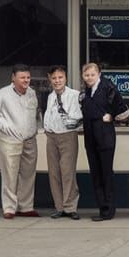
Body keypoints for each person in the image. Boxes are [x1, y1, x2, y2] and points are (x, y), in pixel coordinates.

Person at [0, 64, 40, 219]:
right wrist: (4, 125)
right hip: (9, 139)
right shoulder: (1, 94)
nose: (26, 80)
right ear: (13, 78)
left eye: (28, 77)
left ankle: (26, 207)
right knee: (10, 174)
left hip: (29, 139)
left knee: (28, 174)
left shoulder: (32, 93)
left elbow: (34, 114)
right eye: (22, 77)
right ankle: (9, 208)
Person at [80, 62, 129, 221]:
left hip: (105, 137)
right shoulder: (86, 92)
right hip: (90, 137)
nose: (89, 78)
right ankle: (102, 208)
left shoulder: (109, 87)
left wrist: (112, 115)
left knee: (105, 173)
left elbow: (123, 110)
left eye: (92, 75)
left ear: (99, 74)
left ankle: (108, 210)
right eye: (86, 75)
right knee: (95, 173)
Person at [43, 66, 82, 219]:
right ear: (50, 79)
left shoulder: (74, 95)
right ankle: (59, 207)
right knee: (54, 173)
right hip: (51, 136)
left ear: (65, 78)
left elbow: (77, 118)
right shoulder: (50, 96)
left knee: (67, 172)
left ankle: (70, 207)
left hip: (67, 136)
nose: (57, 81)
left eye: (60, 77)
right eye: (54, 78)